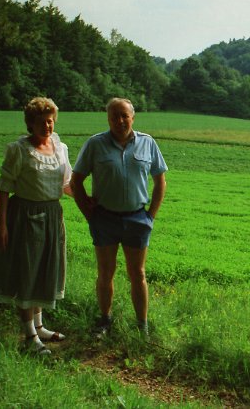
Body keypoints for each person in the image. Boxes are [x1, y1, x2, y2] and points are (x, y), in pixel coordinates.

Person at [70, 97, 167, 337]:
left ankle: (142, 326)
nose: (120, 120)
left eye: (124, 115)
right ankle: (104, 321)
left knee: (138, 273)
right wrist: (88, 213)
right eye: (114, 116)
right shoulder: (95, 144)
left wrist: (150, 217)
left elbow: (160, 181)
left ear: (133, 117)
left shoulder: (148, 143)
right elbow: (76, 181)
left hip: (137, 219)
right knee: (106, 272)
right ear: (108, 119)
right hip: (105, 219)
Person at [0, 97, 73, 355]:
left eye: (50, 121)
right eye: (41, 122)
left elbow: (67, 185)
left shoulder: (60, 148)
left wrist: (91, 202)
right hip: (24, 216)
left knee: (44, 269)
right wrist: (2, 226)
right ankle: (29, 335)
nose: (47, 126)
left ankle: (40, 325)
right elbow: (4, 190)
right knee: (27, 270)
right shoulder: (20, 150)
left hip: (52, 216)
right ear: (30, 124)